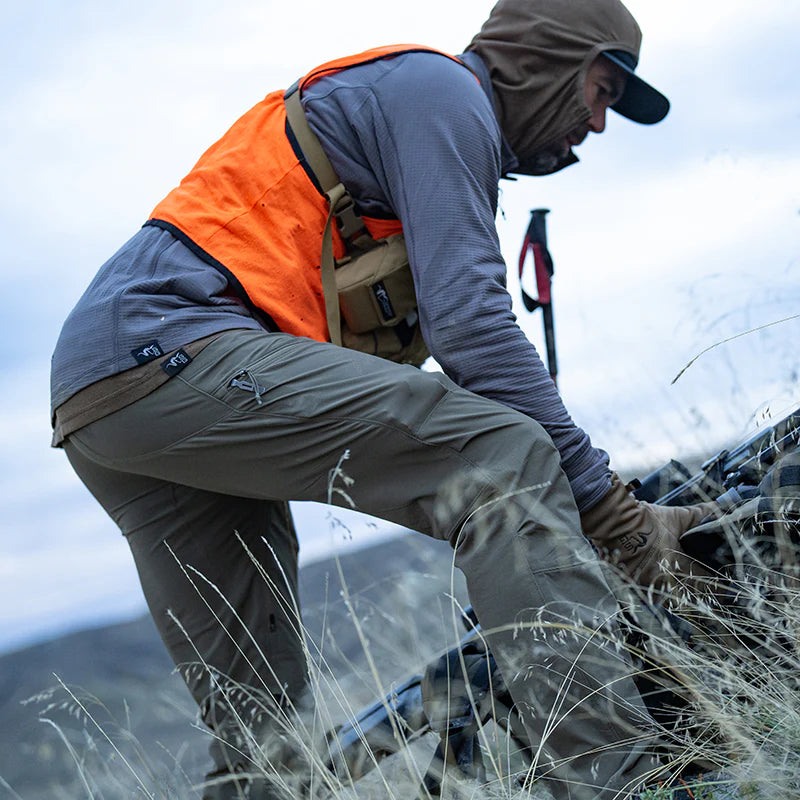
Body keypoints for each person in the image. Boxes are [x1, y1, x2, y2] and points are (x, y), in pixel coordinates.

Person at [50, 0, 723, 797]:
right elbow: (471, 329)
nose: (600, 126)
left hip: (105, 393)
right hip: (171, 350)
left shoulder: (416, 117)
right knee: (501, 457)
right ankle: (624, 784)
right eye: (601, 93)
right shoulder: (444, 95)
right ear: (548, 58)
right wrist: (619, 522)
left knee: (264, 730)